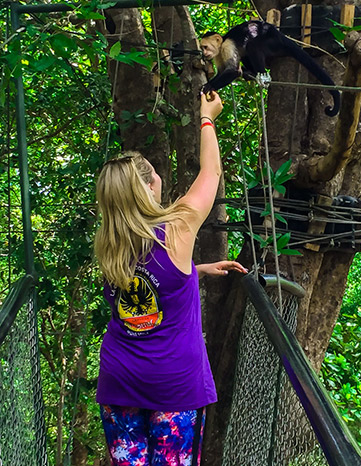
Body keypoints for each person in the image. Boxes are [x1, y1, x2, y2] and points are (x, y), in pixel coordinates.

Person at [93, 90, 247, 466]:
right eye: (154, 175)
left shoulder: (108, 242)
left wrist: (194, 272)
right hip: (174, 385)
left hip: (120, 380)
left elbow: (144, 285)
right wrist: (207, 117)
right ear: (147, 187)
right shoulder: (176, 229)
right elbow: (210, 173)